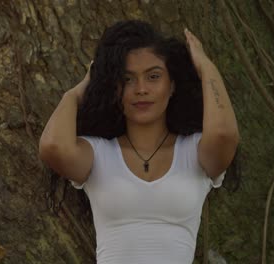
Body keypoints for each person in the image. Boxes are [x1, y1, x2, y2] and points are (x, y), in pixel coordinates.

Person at [39, 20, 239, 264]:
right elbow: (52, 147)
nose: (141, 89)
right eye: (128, 79)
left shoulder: (195, 151)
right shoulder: (99, 154)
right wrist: (77, 91)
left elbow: (224, 135)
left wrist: (205, 66)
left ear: (172, 84)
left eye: (153, 76)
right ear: (114, 89)